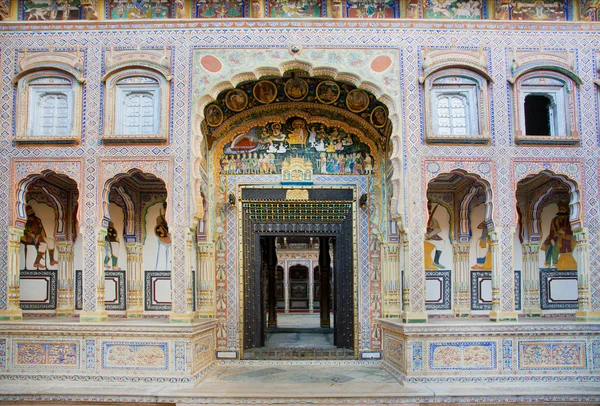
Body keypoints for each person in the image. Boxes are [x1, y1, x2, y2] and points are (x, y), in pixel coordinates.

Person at [541, 201, 576, 270]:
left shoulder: (570, 219)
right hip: (554, 236)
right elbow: (551, 230)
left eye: (563, 209)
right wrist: (551, 238)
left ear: (566, 210)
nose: (561, 211)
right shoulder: (554, 220)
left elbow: (572, 229)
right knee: (548, 244)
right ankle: (547, 263)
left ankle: (555, 263)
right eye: (560, 209)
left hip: (565, 237)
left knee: (556, 246)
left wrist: (564, 232)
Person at [424, 202, 446, 269]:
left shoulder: (433, 220)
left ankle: (436, 261)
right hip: (420, 236)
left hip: (430, 236)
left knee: (441, 242)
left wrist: (429, 235)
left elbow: (438, 229)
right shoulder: (418, 219)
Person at [154, 202, 171, 270]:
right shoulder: (159, 218)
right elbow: (159, 229)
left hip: (172, 239)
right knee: (161, 254)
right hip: (163, 239)